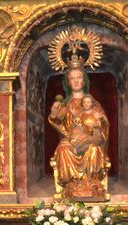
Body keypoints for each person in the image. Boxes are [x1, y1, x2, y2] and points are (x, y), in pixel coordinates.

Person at [49, 65, 110, 199]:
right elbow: (58, 122)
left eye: (79, 77)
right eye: (72, 78)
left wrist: (96, 131)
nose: (76, 81)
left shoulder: (94, 104)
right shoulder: (65, 104)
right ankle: (71, 184)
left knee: (94, 149)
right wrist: (54, 114)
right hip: (70, 139)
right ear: (68, 82)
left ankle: (92, 182)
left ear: (84, 81)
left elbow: (103, 125)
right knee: (63, 150)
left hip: (91, 140)